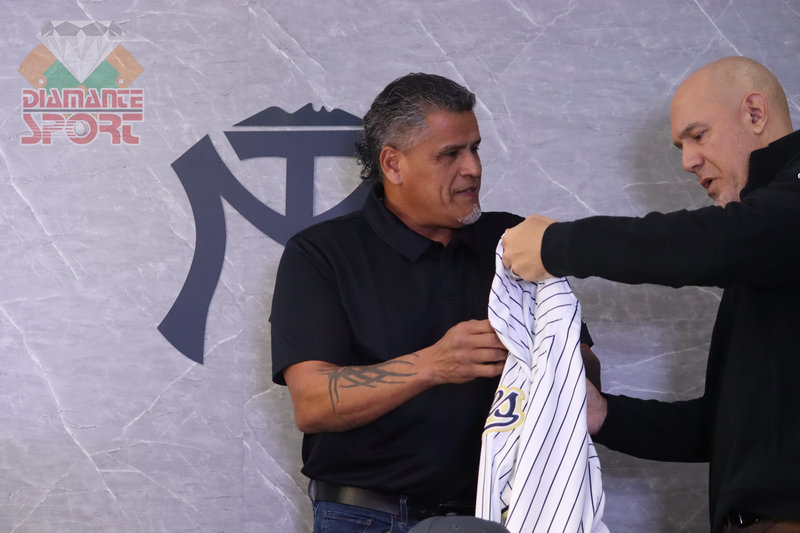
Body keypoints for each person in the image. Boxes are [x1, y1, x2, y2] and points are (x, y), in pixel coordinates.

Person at [270, 73, 599, 533]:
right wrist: (434, 364)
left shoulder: (514, 242)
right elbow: (313, 403)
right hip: (368, 516)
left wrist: (544, 359)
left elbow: (584, 368)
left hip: (503, 512)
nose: (473, 168)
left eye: (475, 148)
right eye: (450, 154)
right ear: (393, 164)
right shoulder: (321, 254)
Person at [501, 56, 800, 533]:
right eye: (681, 145)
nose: (687, 162)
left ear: (755, 113)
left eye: (698, 136)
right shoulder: (766, 249)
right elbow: (718, 429)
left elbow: (711, 241)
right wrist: (603, 414)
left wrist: (555, 245)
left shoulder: (767, 224)